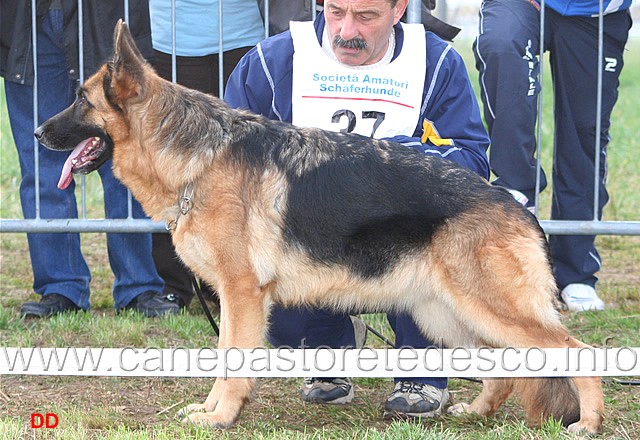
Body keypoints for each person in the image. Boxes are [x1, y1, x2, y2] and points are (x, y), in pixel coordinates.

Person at [225, 0, 490, 419]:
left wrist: (389, 161)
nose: (347, 30)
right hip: (307, 245)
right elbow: (229, 162)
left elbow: (472, 159)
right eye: (335, 12)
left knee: (433, 270)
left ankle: (421, 371)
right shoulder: (271, 62)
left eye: (366, 16)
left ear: (400, 8)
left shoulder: (436, 62)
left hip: (405, 243)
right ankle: (330, 350)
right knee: (279, 315)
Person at [1, 1, 179, 318]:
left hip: (107, 16)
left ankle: (139, 287)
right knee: (43, 167)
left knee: (125, 163)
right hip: (26, 24)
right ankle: (60, 288)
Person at [473, 0, 632, 312]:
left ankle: (576, 270)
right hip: (519, 4)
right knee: (503, 44)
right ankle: (518, 195)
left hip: (596, 11)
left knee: (585, 131)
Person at [148, 0, 265, 308]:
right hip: (171, 43)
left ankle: (230, 277)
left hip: (243, 38)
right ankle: (173, 283)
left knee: (238, 169)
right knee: (172, 165)